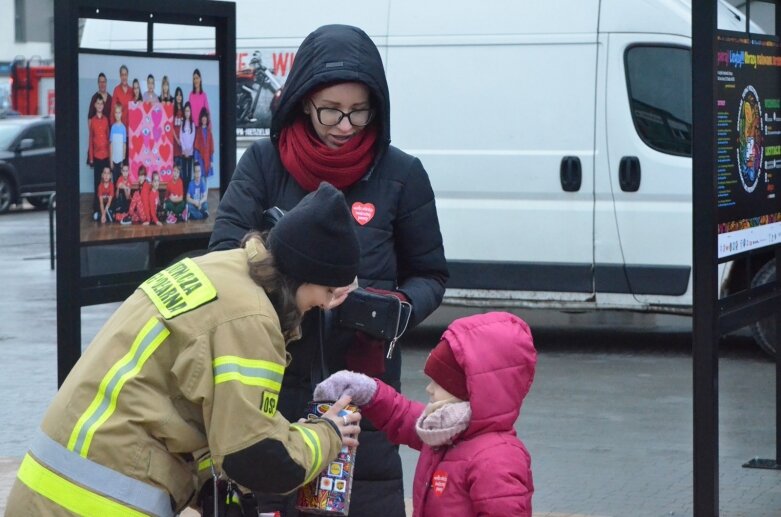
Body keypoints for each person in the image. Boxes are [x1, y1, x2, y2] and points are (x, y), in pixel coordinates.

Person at [5, 183, 364, 517]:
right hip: (99, 501)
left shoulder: (220, 270)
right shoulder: (251, 319)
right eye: (329, 293)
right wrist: (327, 434)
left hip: (49, 488)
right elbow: (256, 459)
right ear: (304, 273)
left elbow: (181, 407)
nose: (326, 305)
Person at [209, 24, 449, 517]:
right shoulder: (262, 164)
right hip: (272, 393)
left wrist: (383, 310)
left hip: (364, 399)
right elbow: (224, 255)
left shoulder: (401, 175)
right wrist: (295, 280)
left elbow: (430, 276)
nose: (345, 124)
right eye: (331, 110)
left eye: (359, 110)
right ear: (302, 101)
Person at [314, 312, 536, 516]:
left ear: (470, 390)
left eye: (439, 383)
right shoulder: (446, 431)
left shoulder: (497, 459)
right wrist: (365, 390)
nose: (429, 389)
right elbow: (402, 415)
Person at [87, 96, 110, 219]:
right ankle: (96, 210)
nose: (100, 105)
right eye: (98, 103)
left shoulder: (106, 120)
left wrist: (110, 158)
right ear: (95, 106)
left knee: (107, 183)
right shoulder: (93, 121)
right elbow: (91, 140)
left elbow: (108, 139)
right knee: (98, 184)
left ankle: (106, 210)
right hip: (96, 157)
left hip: (106, 156)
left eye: (102, 103)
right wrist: (91, 158)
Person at [179, 101, 196, 191]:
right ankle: (185, 193)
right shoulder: (182, 123)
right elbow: (180, 137)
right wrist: (184, 149)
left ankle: (189, 192)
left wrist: (188, 151)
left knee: (189, 174)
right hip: (183, 152)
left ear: (190, 112)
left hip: (190, 153)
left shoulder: (192, 124)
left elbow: (192, 138)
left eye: (188, 111)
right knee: (184, 174)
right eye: (185, 111)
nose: (187, 113)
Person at [194, 107, 214, 178]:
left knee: (207, 178)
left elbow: (211, 148)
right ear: (201, 118)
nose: (204, 119)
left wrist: (211, 161)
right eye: (203, 117)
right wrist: (196, 159)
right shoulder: (198, 131)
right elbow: (196, 147)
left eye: (205, 117)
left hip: (208, 157)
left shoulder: (209, 132)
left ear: (207, 119)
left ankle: (206, 190)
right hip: (200, 158)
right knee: (200, 177)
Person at [109, 102, 127, 182]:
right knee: (115, 179)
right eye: (116, 112)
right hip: (114, 159)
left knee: (121, 179)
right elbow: (111, 144)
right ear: (114, 114)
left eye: (119, 112)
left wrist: (123, 158)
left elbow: (124, 144)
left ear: (122, 114)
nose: (117, 114)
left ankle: (121, 194)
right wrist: (111, 160)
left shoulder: (123, 128)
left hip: (120, 159)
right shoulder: (113, 127)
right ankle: (115, 194)